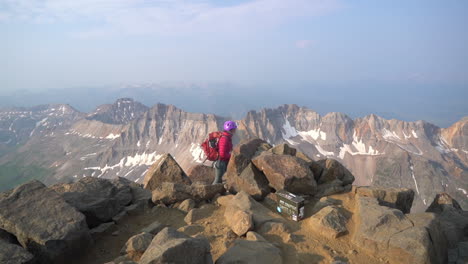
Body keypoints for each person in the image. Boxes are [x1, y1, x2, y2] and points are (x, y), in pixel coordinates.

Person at [212, 120, 237, 184]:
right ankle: (210, 192)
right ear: (230, 129)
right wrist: (231, 156)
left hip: (223, 162)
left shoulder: (227, 137)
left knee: (221, 180)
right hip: (221, 163)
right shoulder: (224, 139)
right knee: (218, 180)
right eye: (234, 129)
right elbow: (222, 154)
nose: (235, 130)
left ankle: (216, 192)